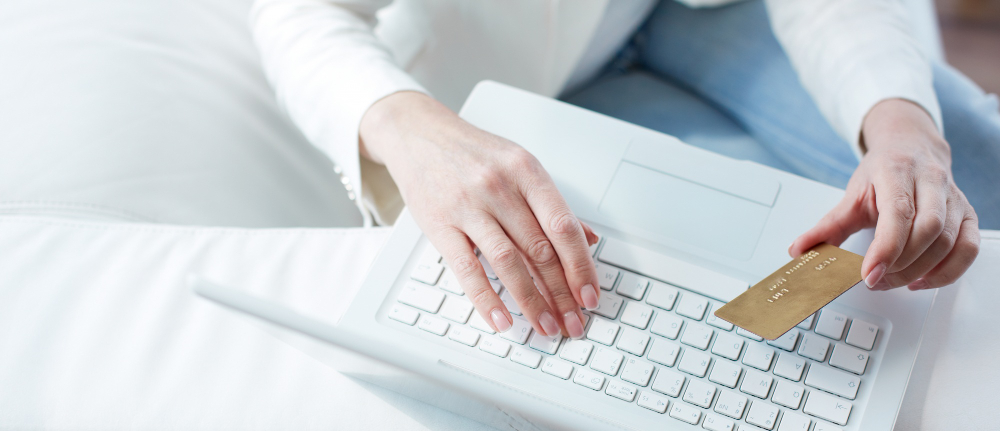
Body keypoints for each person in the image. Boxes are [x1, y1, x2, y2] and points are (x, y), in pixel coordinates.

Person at [250, 0, 997, 340]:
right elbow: (295, 13)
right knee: (730, 255)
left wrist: (904, 127)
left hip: (680, 14)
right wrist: (409, 128)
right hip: (530, 80)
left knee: (962, 152)